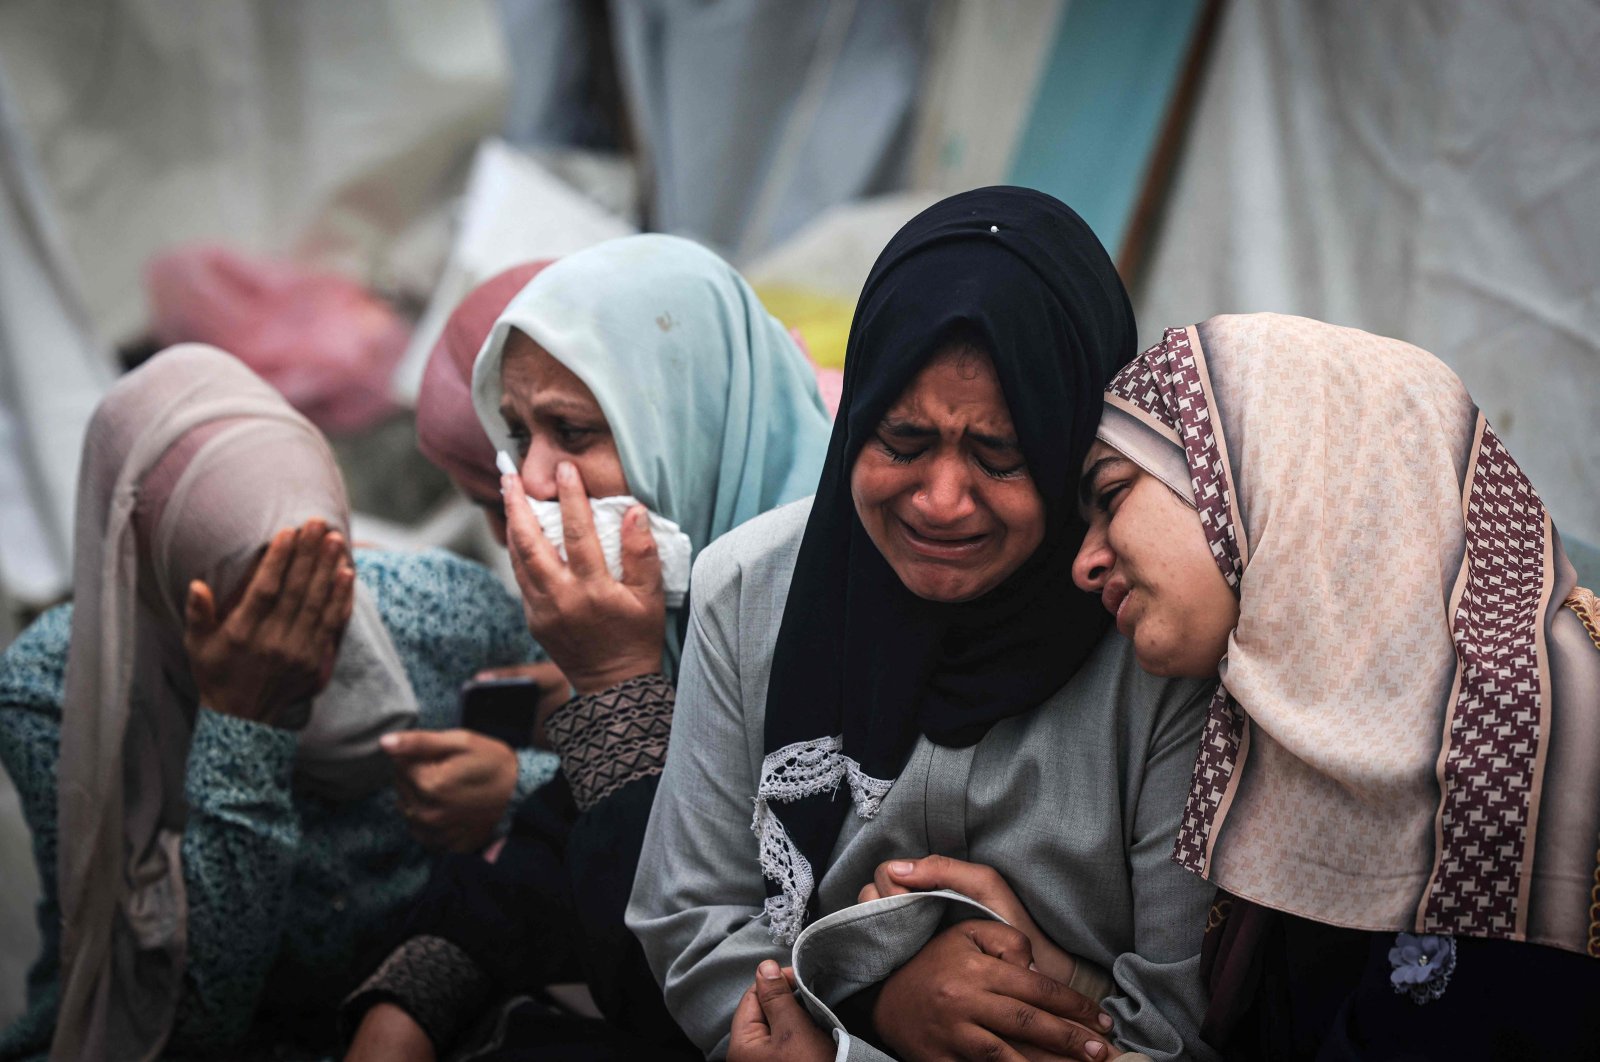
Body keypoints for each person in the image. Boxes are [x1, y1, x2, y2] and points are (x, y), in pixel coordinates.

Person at [628, 187, 1221, 1062]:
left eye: (1001, 455)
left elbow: (1176, 1022)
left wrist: (1048, 995)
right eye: (902, 442)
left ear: (1069, 447)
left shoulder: (1154, 640)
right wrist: (867, 1013)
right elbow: (693, 919)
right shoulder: (751, 592)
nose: (942, 501)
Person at [341, 233, 833, 1060]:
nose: (530, 481)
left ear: (685, 429)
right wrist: (407, 1004)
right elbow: (550, 848)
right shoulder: (680, 606)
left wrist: (613, 681)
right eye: (517, 436)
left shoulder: (824, 630)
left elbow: (672, 986)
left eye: (571, 432)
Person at [0, 345, 555, 1061]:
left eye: (326, 584)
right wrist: (244, 726)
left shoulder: (442, 611)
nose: (302, 637)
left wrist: (517, 787)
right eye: (255, 601)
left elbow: (612, 802)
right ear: (158, 574)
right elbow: (184, 1022)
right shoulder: (64, 694)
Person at [1070, 313, 1600, 1059]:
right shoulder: (1280, 735)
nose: (1084, 563)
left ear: (1268, 470)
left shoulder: (1535, 732)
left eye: (1113, 493)